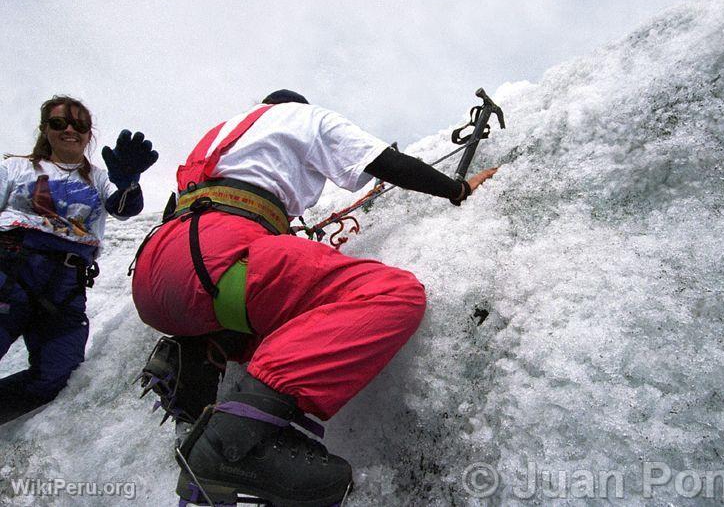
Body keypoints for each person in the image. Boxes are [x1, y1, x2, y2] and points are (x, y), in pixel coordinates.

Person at [131, 89, 496, 506]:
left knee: (280, 314)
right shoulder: (305, 118)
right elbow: (383, 162)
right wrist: (457, 188)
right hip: (220, 261)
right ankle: (234, 444)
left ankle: (197, 354)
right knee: (393, 294)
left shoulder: (219, 135)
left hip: (156, 276)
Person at [0, 95, 158, 425]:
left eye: (80, 125)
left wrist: (128, 183)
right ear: (45, 129)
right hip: (11, 269)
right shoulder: (14, 168)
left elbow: (123, 208)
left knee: (57, 374)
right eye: (59, 123)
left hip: (66, 283)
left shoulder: (99, 178)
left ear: (89, 133)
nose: (70, 130)